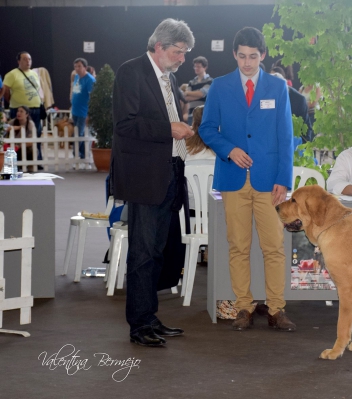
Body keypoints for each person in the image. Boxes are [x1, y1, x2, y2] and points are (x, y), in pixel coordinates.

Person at [200, 27, 296, 332]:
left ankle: (276, 309)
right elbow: (206, 129)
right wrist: (229, 150)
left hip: (270, 183)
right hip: (233, 179)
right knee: (238, 247)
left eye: (253, 56)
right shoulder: (219, 86)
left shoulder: (278, 88)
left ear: (263, 55)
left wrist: (283, 178)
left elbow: (286, 136)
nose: (247, 62)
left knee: (274, 248)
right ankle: (243, 307)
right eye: (241, 56)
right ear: (234, 55)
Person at [111, 18, 195, 347]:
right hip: (145, 178)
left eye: (186, 52)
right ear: (159, 47)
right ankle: (139, 324)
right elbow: (126, 125)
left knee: (157, 254)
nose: (182, 58)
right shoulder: (131, 72)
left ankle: (150, 316)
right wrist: (169, 130)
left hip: (168, 173)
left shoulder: (168, 79)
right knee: (143, 254)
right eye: (179, 51)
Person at [3, 52, 44, 161]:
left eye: (29, 59)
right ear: (19, 61)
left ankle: (37, 158)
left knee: (36, 134)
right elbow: (5, 90)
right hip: (18, 109)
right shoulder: (12, 74)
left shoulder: (34, 74)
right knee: (16, 135)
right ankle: (16, 159)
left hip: (35, 108)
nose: (28, 61)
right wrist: (11, 100)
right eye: (25, 59)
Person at [271, 72, 314, 143]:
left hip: (293, 142)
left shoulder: (298, 100)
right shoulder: (261, 97)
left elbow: (306, 130)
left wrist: (300, 147)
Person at [71, 58, 96, 160]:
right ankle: (81, 155)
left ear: (85, 67)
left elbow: (93, 98)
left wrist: (89, 114)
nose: (77, 69)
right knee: (77, 134)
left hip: (83, 112)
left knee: (79, 136)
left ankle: (80, 156)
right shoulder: (76, 77)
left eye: (79, 66)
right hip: (75, 111)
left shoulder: (90, 80)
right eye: (75, 66)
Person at [185, 56, 212, 124]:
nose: (196, 68)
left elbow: (202, 93)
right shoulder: (191, 82)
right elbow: (186, 98)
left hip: (204, 115)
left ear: (205, 67)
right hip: (191, 115)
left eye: (199, 67)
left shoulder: (210, 81)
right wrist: (199, 95)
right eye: (195, 66)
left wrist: (188, 92)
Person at [7, 105, 35, 170]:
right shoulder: (12, 122)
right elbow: (6, 128)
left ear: (27, 114)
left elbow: (31, 141)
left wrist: (19, 146)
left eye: (21, 111)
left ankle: (30, 166)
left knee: (32, 149)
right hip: (13, 146)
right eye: (18, 111)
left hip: (25, 146)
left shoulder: (30, 124)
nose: (18, 113)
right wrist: (17, 127)